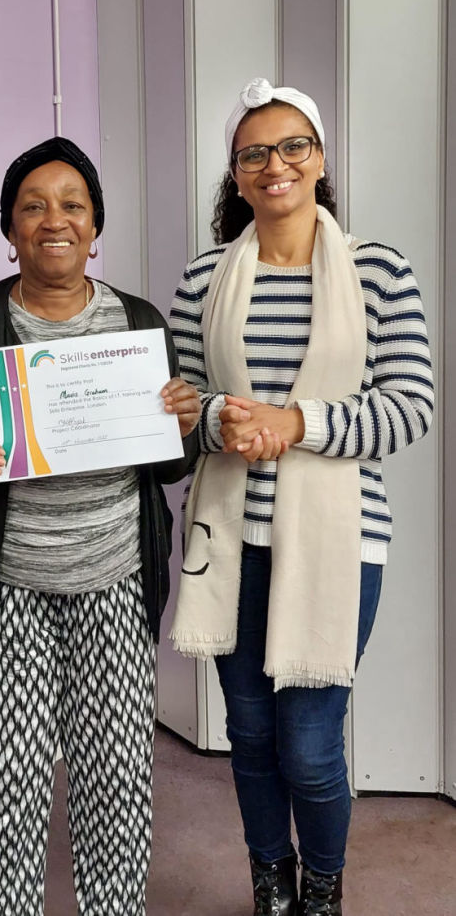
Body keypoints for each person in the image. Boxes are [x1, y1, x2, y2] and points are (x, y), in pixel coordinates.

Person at [168, 78, 434, 915]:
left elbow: (411, 407)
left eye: (293, 146)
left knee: (311, 747)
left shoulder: (379, 271)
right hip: (229, 542)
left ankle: (322, 889)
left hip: (339, 544)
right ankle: (270, 884)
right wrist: (218, 420)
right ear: (236, 173)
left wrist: (297, 423)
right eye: (254, 152)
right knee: (250, 735)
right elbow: (184, 413)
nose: (274, 164)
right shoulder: (205, 277)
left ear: (320, 160)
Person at [0, 136, 200, 915]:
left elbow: (169, 468)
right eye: (33, 206)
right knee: (3, 782)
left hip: (114, 580)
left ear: (95, 227)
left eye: (73, 205)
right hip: (5, 586)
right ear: (9, 228)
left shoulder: (138, 322)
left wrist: (182, 423)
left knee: (116, 776)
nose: (55, 220)